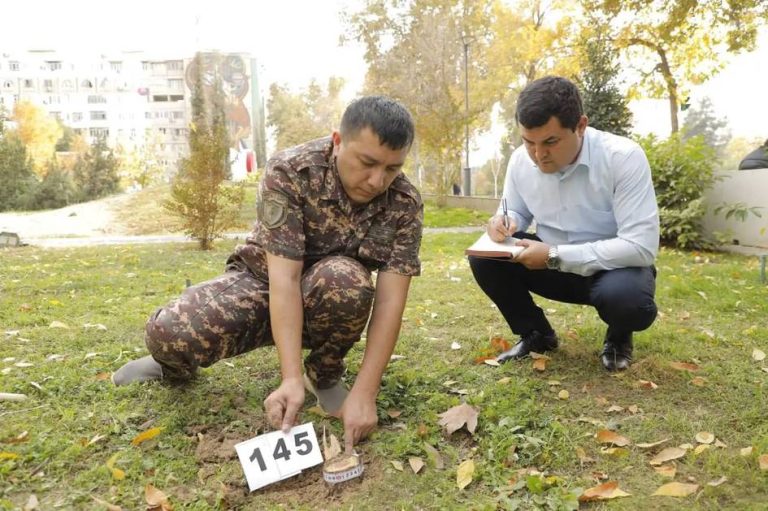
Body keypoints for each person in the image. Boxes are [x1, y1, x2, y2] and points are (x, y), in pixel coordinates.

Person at [112, 96, 423, 452]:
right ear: (338, 141)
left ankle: (324, 374)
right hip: (262, 284)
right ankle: (171, 364)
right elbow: (284, 280)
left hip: (330, 300)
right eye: (367, 162)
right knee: (170, 333)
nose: (376, 180)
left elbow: (389, 302)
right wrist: (287, 377)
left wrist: (366, 393)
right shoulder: (292, 171)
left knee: (346, 280)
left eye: (392, 169)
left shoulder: (404, 203)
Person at [468, 76, 659, 372]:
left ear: (581, 126)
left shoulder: (623, 157)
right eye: (528, 141)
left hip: (611, 270)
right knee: (485, 256)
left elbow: (641, 247)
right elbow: (515, 209)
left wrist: (556, 254)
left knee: (628, 301)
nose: (538, 154)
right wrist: (505, 221)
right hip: (547, 266)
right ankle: (536, 334)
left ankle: (619, 335)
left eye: (550, 142)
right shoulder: (521, 161)